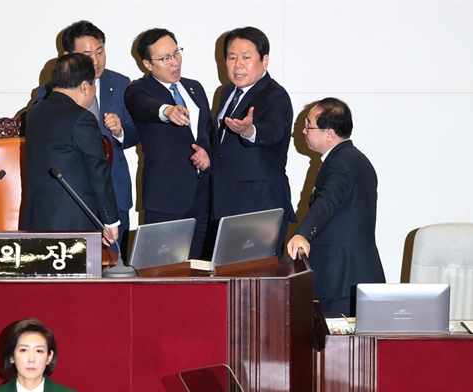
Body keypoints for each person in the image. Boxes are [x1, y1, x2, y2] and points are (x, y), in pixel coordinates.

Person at [35, 21, 139, 260]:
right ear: (68, 56)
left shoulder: (120, 83)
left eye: (100, 52)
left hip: (114, 190)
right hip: (72, 196)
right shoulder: (52, 91)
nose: (96, 60)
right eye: (87, 54)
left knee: (114, 265)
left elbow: (136, 131)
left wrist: (121, 131)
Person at [287, 97, 385, 316]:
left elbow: (326, 203)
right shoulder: (356, 159)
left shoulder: (341, 163)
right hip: (355, 274)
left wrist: (302, 234)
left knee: (336, 348)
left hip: (341, 279)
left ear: (329, 134)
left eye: (308, 126)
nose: (303, 131)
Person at [124, 28, 213, 260]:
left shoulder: (195, 88)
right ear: (147, 64)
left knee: (198, 270)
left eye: (176, 54)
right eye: (165, 58)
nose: (174, 62)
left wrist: (207, 155)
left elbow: (206, 134)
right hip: (166, 201)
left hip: (202, 198)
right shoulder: (138, 91)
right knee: (162, 272)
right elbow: (144, 106)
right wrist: (168, 111)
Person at [211, 26, 296, 256]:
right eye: (231, 57)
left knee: (258, 283)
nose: (238, 64)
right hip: (227, 205)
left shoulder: (275, 94)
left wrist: (250, 130)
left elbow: (274, 130)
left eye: (246, 57)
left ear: (264, 60)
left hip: (259, 209)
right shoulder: (227, 92)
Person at [23, 53, 119, 244]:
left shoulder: (34, 113)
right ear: (85, 86)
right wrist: (111, 220)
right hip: (74, 223)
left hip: (36, 220)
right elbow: (97, 170)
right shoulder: (81, 118)